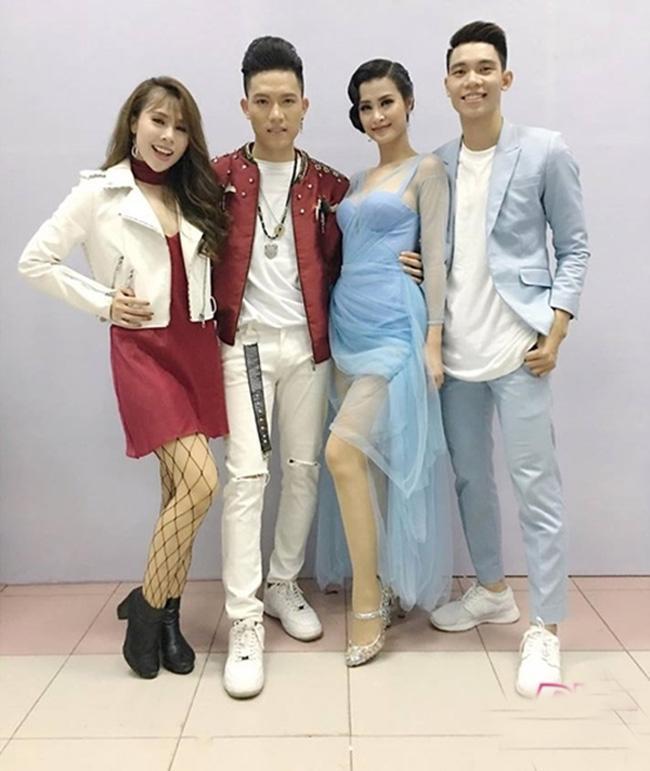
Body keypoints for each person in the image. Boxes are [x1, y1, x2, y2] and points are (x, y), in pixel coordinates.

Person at [212, 37, 423, 698]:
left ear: (305, 105)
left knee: (304, 469)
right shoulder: (218, 176)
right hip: (245, 345)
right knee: (249, 476)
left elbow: (369, 241)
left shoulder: (330, 184)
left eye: (287, 101)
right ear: (245, 105)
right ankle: (244, 617)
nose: (275, 114)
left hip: (310, 347)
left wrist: (412, 261)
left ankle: (282, 583)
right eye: (262, 102)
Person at [18, 76, 229, 680]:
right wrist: (104, 302)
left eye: (181, 127)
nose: (168, 136)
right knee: (201, 484)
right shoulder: (99, 192)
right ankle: (145, 614)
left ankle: (167, 619)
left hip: (195, 348)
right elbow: (34, 261)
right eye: (158, 121)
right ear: (133, 122)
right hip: (143, 352)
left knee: (177, 492)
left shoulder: (194, 192)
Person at [429, 22, 590, 698]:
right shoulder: (437, 163)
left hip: (520, 351)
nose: (473, 79)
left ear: (505, 77)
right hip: (457, 357)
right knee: (471, 480)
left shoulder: (545, 150)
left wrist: (557, 330)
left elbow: (574, 246)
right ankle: (493, 590)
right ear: (447, 84)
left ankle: (545, 626)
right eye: (461, 70)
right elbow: (438, 251)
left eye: (484, 67)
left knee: (536, 488)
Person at [316, 59, 452, 667]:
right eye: (366, 107)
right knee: (365, 465)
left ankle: (368, 603)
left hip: (396, 326)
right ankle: (386, 584)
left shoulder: (428, 171)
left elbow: (437, 258)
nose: (376, 116)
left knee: (341, 452)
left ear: (409, 102)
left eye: (386, 102)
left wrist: (433, 340)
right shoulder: (356, 179)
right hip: (347, 322)